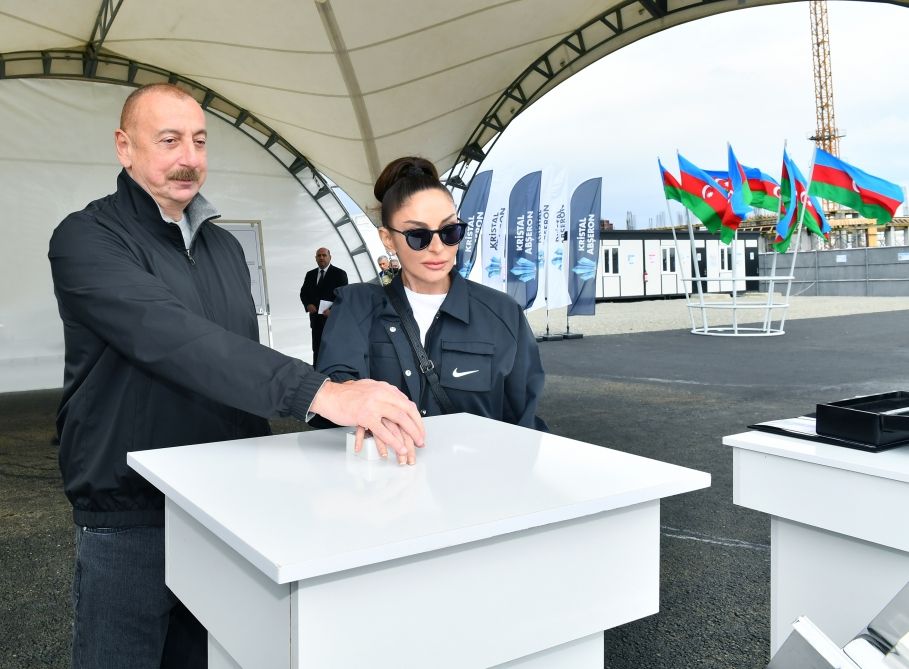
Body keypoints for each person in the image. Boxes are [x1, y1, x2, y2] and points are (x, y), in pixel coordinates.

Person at [48, 83, 424, 669]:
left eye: (199, 141)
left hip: (223, 506)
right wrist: (323, 393)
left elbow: (237, 353)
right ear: (125, 147)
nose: (189, 157)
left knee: (213, 657)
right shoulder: (86, 239)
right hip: (132, 513)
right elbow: (173, 340)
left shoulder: (223, 247)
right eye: (168, 140)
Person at [318, 156, 546, 429]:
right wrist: (350, 395)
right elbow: (331, 398)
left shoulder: (503, 314)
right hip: (384, 469)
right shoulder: (356, 307)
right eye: (418, 236)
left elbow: (523, 421)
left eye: (449, 231)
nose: (437, 247)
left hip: (477, 471)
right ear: (388, 239)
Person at [299, 247, 347, 365]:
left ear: (330, 257)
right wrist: (308, 304)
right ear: (315, 258)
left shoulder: (339, 273)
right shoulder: (310, 274)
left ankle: (334, 374)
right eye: (319, 256)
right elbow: (303, 293)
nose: (321, 258)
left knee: (333, 348)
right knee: (317, 349)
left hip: (332, 320)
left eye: (324, 255)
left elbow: (344, 296)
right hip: (316, 320)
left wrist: (332, 310)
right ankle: (318, 375)